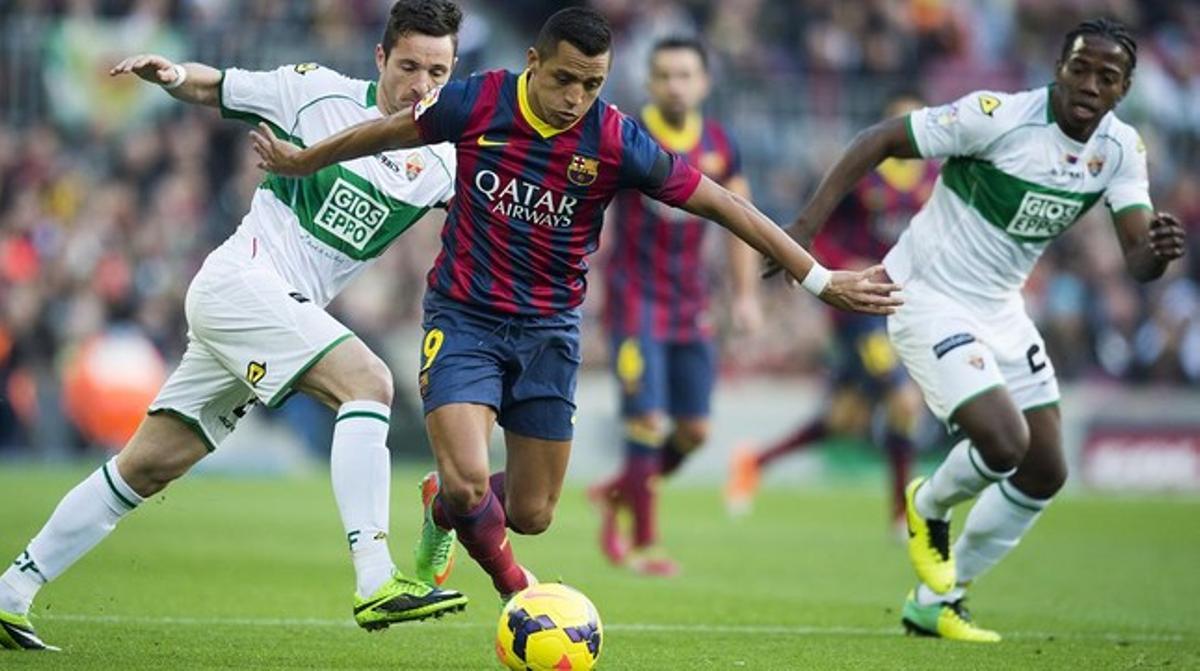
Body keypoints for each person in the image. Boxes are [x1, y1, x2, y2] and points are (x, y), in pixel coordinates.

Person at [250, 7, 901, 604]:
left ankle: (443, 508)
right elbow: (385, 133)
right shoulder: (477, 102)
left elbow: (723, 202)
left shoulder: (614, 140)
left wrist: (818, 278)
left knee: (532, 512)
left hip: (550, 332)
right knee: (473, 476)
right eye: (565, 80)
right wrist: (303, 161)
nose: (575, 99)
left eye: (592, 84)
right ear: (534, 61)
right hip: (464, 317)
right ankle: (518, 589)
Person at [0, 0, 470, 652]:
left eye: (438, 72)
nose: (422, 85)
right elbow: (218, 84)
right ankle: (375, 577)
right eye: (411, 66)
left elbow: (502, 199)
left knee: (146, 467)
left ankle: (10, 592)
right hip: (242, 286)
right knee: (369, 381)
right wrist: (171, 75)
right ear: (381, 57)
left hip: (276, 311)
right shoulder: (314, 94)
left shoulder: (441, 157)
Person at [776, 18, 1187, 642]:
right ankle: (928, 506)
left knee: (1046, 468)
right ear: (1059, 67)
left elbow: (1138, 262)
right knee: (1003, 444)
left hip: (999, 308)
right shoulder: (997, 117)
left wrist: (1157, 250)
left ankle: (938, 599)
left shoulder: (1121, 150)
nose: (1090, 84)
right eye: (1080, 68)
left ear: (1123, 90)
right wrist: (800, 233)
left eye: (1108, 77)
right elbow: (879, 137)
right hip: (927, 295)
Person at [589, 36, 763, 577]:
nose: (675, 85)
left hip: (691, 302)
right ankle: (643, 544)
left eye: (685, 75)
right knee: (645, 419)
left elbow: (740, 220)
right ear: (649, 82)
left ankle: (622, 491)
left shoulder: (719, 144)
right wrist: (589, 287)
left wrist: (747, 295)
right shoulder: (625, 135)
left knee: (694, 432)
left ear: (704, 83)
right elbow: (594, 209)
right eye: (664, 75)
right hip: (635, 298)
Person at [725, 92, 933, 535]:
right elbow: (821, 232)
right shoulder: (864, 175)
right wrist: (844, 266)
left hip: (901, 303)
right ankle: (902, 515)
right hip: (857, 308)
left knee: (845, 418)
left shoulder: (932, 177)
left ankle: (754, 462)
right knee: (903, 400)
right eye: (900, 121)